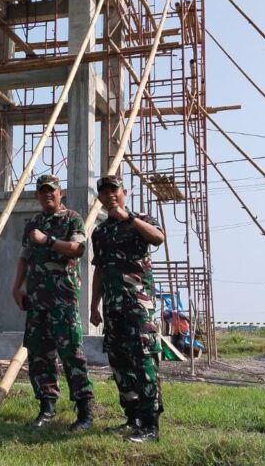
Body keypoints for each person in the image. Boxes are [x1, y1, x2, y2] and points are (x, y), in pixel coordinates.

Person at [11, 174, 94, 431]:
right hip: (36, 301)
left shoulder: (72, 219)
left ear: (60, 194)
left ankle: (85, 412)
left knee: (72, 355)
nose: (47, 195)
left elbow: (78, 250)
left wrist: (47, 240)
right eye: (43, 192)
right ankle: (46, 407)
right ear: (37, 196)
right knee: (39, 355)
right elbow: (24, 257)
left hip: (63, 301)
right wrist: (16, 287)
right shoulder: (33, 223)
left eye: (52, 191)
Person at [89, 175, 166, 443]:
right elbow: (99, 268)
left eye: (114, 191)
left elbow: (158, 238)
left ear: (124, 192)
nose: (109, 196)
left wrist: (129, 218)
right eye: (104, 192)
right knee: (120, 363)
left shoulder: (140, 219)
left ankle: (150, 425)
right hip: (113, 307)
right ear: (99, 197)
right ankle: (132, 418)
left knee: (143, 360)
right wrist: (93, 305)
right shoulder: (100, 231)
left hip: (137, 306)